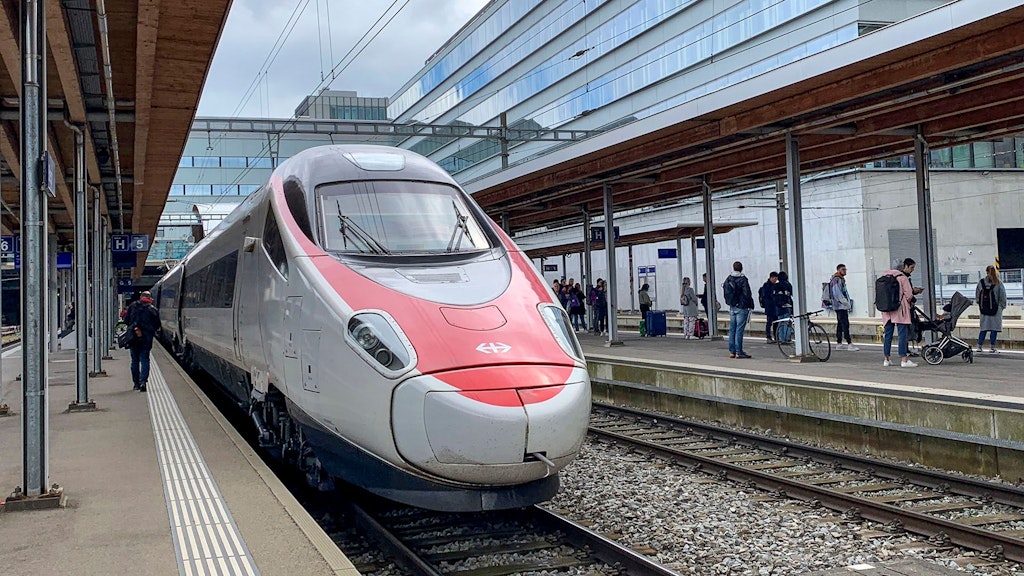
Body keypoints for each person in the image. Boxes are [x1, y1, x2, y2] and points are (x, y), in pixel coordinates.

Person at [881, 258, 917, 368]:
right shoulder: (902, 278)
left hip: (887, 311)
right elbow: (909, 295)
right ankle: (904, 360)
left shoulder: (883, 277)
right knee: (902, 334)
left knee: (888, 335)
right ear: (902, 267)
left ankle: (886, 359)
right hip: (900, 310)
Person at [126, 290, 161, 391]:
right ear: (149, 298)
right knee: (145, 359)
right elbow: (157, 325)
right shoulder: (152, 309)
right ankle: (143, 382)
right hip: (146, 338)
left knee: (134, 361)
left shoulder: (132, 306)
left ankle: (136, 383)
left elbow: (126, 320)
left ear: (141, 297)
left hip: (133, 337)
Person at [723, 261, 754, 359]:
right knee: (739, 330)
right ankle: (739, 352)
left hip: (732, 307)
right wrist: (748, 305)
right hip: (742, 307)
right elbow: (747, 293)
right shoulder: (743, 279)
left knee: (732, 329)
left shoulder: (728, 279)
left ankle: (732, 351)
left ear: (733, 268)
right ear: (741, 268)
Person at [975, 264, 1006, 353]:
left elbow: (977, 296)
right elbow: (1002, 296)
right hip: (995, 310)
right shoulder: (998, 283)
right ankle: (992, 347)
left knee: (983, 328)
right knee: (994, 329)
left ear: (987, 272)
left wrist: (981, 306)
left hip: (984, 310)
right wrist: (1001, 307)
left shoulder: (981, 283)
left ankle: (979, 346)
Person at [830, 264, 858, 351]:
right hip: (840, 306)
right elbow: (837, 292)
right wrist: (845, 302)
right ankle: (849, 343)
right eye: (843, 269)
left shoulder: (838, 279)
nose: (845, 271)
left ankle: (839, 342)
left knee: (840, 324)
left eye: (845, 269)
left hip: (838, 305)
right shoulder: (837, 279)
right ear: (838, 270)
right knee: (845, 324)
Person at [758, 272, 779, 343]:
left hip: (774, 307)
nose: (775, 280)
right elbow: (766, 296)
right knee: (769, 322)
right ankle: (768, 337)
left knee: (776, 322)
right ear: (771, 278)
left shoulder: (774, 285)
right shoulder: (766, 286)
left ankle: (776, 336)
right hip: (770, 307)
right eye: (775, 278)